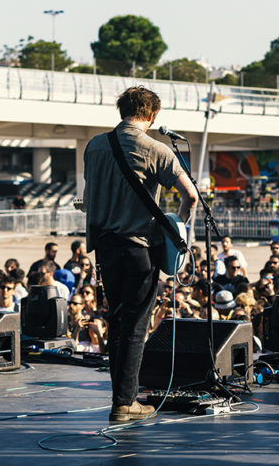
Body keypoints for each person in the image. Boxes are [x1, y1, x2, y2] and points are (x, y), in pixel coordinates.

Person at [83, 86, 197, 422]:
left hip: (105, 246)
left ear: (122, 110)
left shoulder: (94, 146)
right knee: (135, 326)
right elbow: (189, 195)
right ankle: (125, 403)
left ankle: (120, 397)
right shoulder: (155, 149)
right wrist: (178, 227)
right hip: (139, 249)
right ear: (152, 115)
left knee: (118, 322)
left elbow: (89, 197)